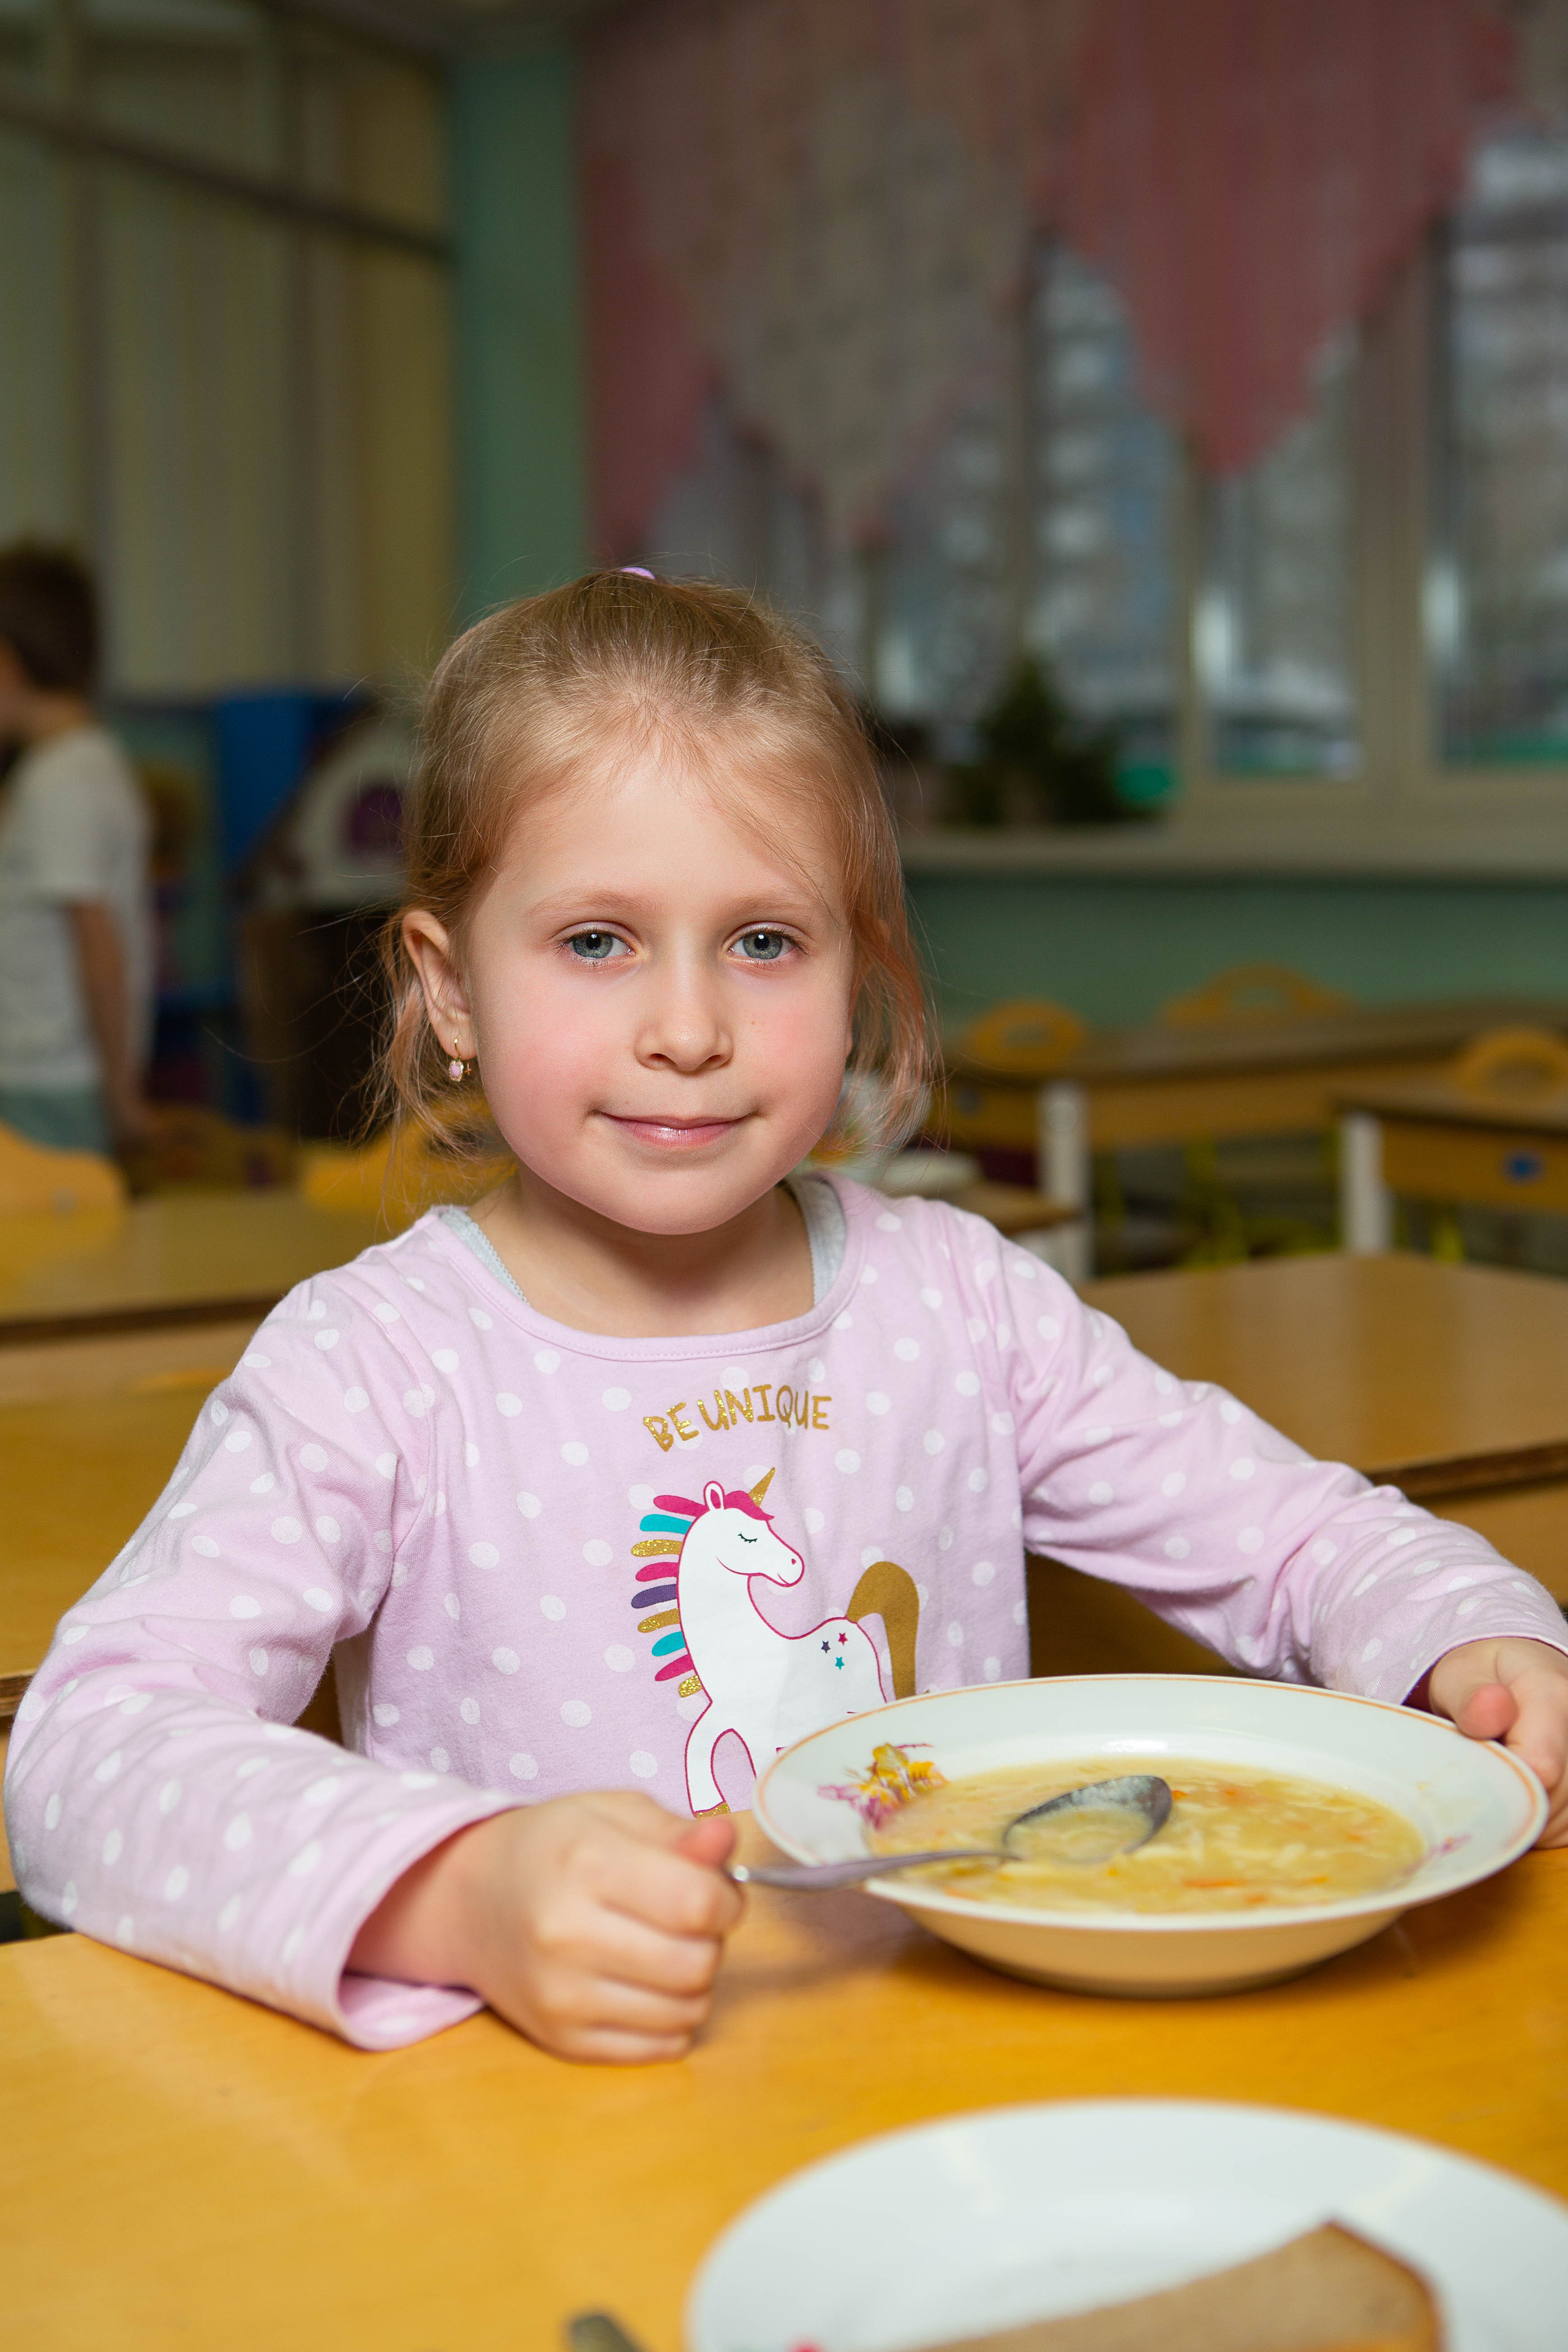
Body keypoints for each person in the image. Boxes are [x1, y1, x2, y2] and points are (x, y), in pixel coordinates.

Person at [6, 573, 1567, 2066]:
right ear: (451, 986)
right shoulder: (376, 1364)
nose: (688, 1030)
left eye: (763, 941)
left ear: (853, 968)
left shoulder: (960, 1304)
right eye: (596, 941)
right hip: (558, 2133)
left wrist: (1471, 1638)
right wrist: (455, 1892)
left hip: (952, 2082)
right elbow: (86, 1751)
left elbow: (1296, 1540)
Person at [0, 542, 153, 1156]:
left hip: (44, 1082)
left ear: (8, 663)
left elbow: (98, 945)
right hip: (55, 1076)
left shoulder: (58, 781)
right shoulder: (85, 765)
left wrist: (121, 1096)